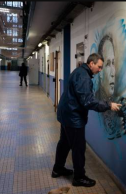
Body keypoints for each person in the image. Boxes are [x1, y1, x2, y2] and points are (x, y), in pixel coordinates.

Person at [52, 53, 122, 187]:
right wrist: (108, 105)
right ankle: (79, 177)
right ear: (91, 64)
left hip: (66, 114)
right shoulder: (84, 77)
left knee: (64, 143)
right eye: (99, 67)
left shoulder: (78, 71)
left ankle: (58, 169)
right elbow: (88, 101)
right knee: (78, 148)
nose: (100, 70)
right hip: (73, 118)